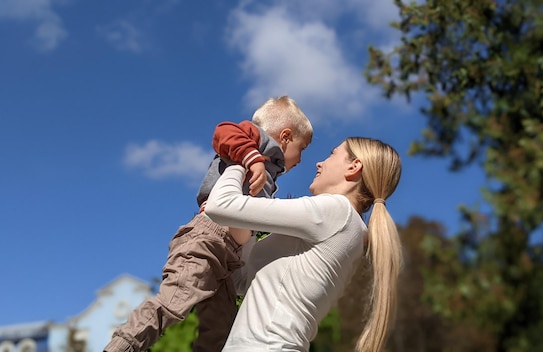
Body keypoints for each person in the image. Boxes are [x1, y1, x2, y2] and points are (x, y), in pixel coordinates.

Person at [104, 96, 313, 352]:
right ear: (285, 136)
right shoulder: (256, 141)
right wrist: (252, 158)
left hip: (228, 258)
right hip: (209, 237)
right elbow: (223, 131)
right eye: (302, 148)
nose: (301, 160)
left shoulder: (270, 173)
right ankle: (122, 347)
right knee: (175, 300)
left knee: (220, 329)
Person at [204, 137, 403, 352]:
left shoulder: (336, 210)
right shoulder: (350, 228)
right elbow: (243, 282)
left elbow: (220, 206)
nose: (320, 163)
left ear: (354, 167)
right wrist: (241, 223)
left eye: (332, 153)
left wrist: (239, 159)